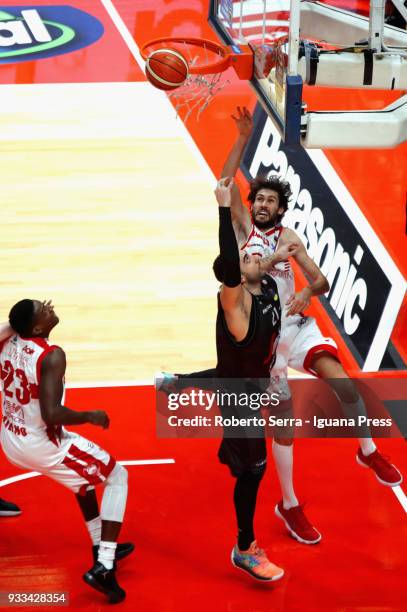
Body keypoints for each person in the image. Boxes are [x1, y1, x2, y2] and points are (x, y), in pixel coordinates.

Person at [157, 107, 402, 546]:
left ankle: (368, 452)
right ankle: (288, 505)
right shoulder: (244, 228)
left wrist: (309, 292)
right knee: (283, 423)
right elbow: (224, 184)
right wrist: (241, 138)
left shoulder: (291, 237)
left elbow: (321, 279)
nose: (264, 204)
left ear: (282, 208)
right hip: (263, 337)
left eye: (272, 200)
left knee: (344, 385)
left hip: (296, 323)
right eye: (261, 199)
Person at [169, 176, 296, 582]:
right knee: (256, 469)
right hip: (240, 399)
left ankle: (189, 394)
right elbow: (228, 264)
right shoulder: (236, 305)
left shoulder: (271, 288)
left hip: (247, 382)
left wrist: (186, 380)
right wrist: (224, 209)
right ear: (235, 278)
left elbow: (229, 373)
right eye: (245, 261)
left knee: (231, 381)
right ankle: (244, 548)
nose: (252, 257)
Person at [0, 302, 133, 604]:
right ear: (36, 328)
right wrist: (90, 415)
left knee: (83, 479)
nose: (49, 307)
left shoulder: (7, 341)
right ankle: (105, 565)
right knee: (117, 476)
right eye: (41, 310)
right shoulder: (52, 355)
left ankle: (101, 544)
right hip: (41, 443)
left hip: (10, 435)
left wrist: (16, 322)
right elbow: (51, 413)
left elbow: (13, 326)